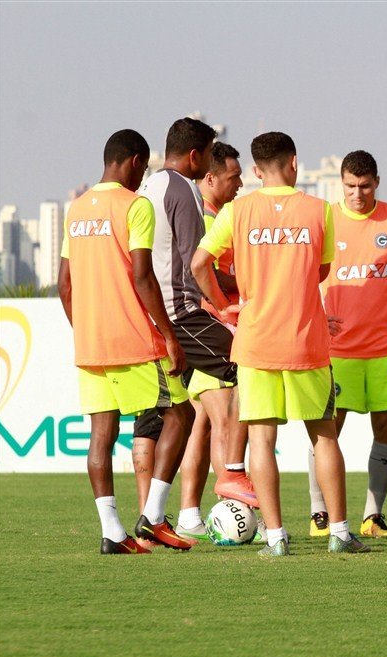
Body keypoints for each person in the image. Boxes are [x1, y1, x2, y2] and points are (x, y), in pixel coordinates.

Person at [192, 131, 367, 556]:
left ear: (254, 169)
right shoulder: (320, 210)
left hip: (256, 343)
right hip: (306, 341)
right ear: (294, 163)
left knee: (262, 441)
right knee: (324, 436)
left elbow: (199, 263)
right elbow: (322, 271)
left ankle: (275, 538)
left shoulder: (236, 211)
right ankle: (341, 533)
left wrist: (223, 307)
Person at [58, 129, 194, 554]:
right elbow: (142, 274)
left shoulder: (75, 209)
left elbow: (65, 285)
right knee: (181, 414)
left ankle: (112, 533)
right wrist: (169, 336)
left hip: (91, 344)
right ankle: (153, 517)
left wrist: (87, 331)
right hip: (134, 340)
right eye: (145, 166)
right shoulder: (135, 205)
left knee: (101, 433)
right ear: (135, 161)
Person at [134, 118, 258, 515]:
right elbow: (194, 265)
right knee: (250, 364)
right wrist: (224, 305)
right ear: (194, 155)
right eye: (207, 156)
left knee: (178, 415)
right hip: (183, 315)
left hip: (150, 315)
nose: (208, 164)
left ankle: (158, 516)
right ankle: (233, 472)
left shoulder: (148, 186)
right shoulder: (183, 190)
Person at [306, 150, 387, 539]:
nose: (358, 193)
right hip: (337, 349)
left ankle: (373, 516)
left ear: (377, 182)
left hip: (385, 347)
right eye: (351, 186)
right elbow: (303, 272)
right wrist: (317, 318)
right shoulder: (327, 218)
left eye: (365, 186)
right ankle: (319, 512)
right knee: (327, 431)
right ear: (341, 183)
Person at [178, 141, 244, 539]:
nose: (239, 184)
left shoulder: (216, 214)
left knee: (203, 423)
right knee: (225, 420)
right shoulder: (205, 219)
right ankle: (232, 514)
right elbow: (203, 272)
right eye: (234, 177)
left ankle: (189, 512)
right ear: (211, 177)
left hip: (210, 328)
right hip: (213, 329)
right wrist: (253, 287)